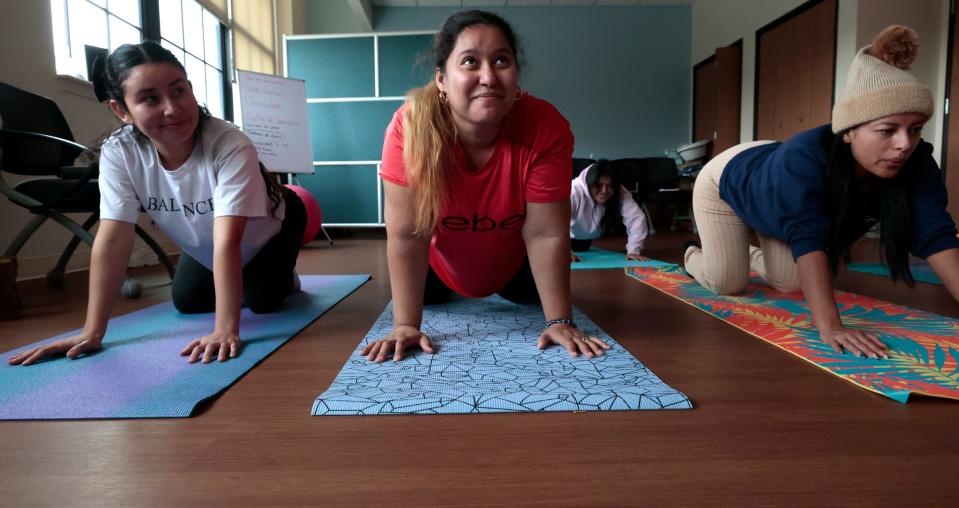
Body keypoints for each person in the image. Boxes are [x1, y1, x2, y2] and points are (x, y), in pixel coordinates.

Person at [9, 42, 306, 366]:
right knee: (188, 301)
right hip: (207, 237)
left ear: (191, 90)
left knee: (262, 301)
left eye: (179, 91)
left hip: (272, 229)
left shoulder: (230, 145)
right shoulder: (120, 152)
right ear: (121, 111)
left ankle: (284, 275)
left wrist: (225, 329)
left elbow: (228, 239)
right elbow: (113, 237)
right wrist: (92, 331)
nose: (172, 108)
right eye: (150, 98)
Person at [683, 25, 959, 359]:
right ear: (848, 132)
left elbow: (937, 235)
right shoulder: (805, 157)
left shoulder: (916, 161)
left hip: (775, 190)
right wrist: (830, 325)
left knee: (791, 283)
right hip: (726, 179)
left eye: (914, 130)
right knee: (729, 283)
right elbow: (807, 234)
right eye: (887, 130)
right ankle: (693, 256)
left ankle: (750, 252)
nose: (904, 144)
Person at [364, 10, 610, 363]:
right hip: (438, 266)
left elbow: (543, 234)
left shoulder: (545, 126)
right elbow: (408, 236)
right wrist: (405, 323)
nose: (488, 76)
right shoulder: (410, 128)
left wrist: (559, 319)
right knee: (426, 299)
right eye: (469, 61)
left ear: (517, 74)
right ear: (442, 80)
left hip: (513, 265)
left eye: (501, 60)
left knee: (531, 297)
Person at [569, 159, 648, 262]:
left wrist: (633, 250)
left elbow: (636, 219)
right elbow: (557, 224)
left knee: (582, 249)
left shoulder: (620, 192)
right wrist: (565, 251)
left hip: (584, 239)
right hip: (565, 235)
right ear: (590, 182)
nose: (604, 191)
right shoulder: (574, 191)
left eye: (610, 186)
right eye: (599, 185)